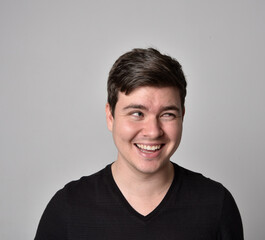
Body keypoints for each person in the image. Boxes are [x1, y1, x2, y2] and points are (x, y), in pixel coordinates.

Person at [35, 48, 244, 239]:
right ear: (110, 116)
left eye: (168, 114)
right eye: (137, 113)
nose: (153, 131)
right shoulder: (68, 208)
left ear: (183, 117)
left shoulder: (216, 205)